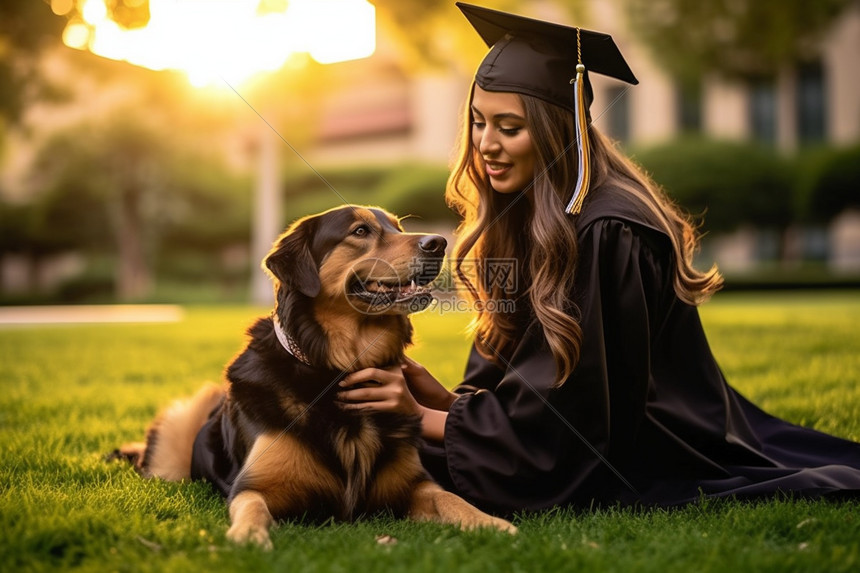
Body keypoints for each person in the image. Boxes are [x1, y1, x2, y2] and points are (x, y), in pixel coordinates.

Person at [337, 2, 860, 514]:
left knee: (391, 461)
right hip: (566, 436)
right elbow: (531, 388)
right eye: (478, 123)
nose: (486, 145)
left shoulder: (606, 227)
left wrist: (420, 417)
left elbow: (573, 423)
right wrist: (439, 400)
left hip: (639, 445)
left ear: (555, 130)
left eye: (509, 127)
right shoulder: (531, 211)